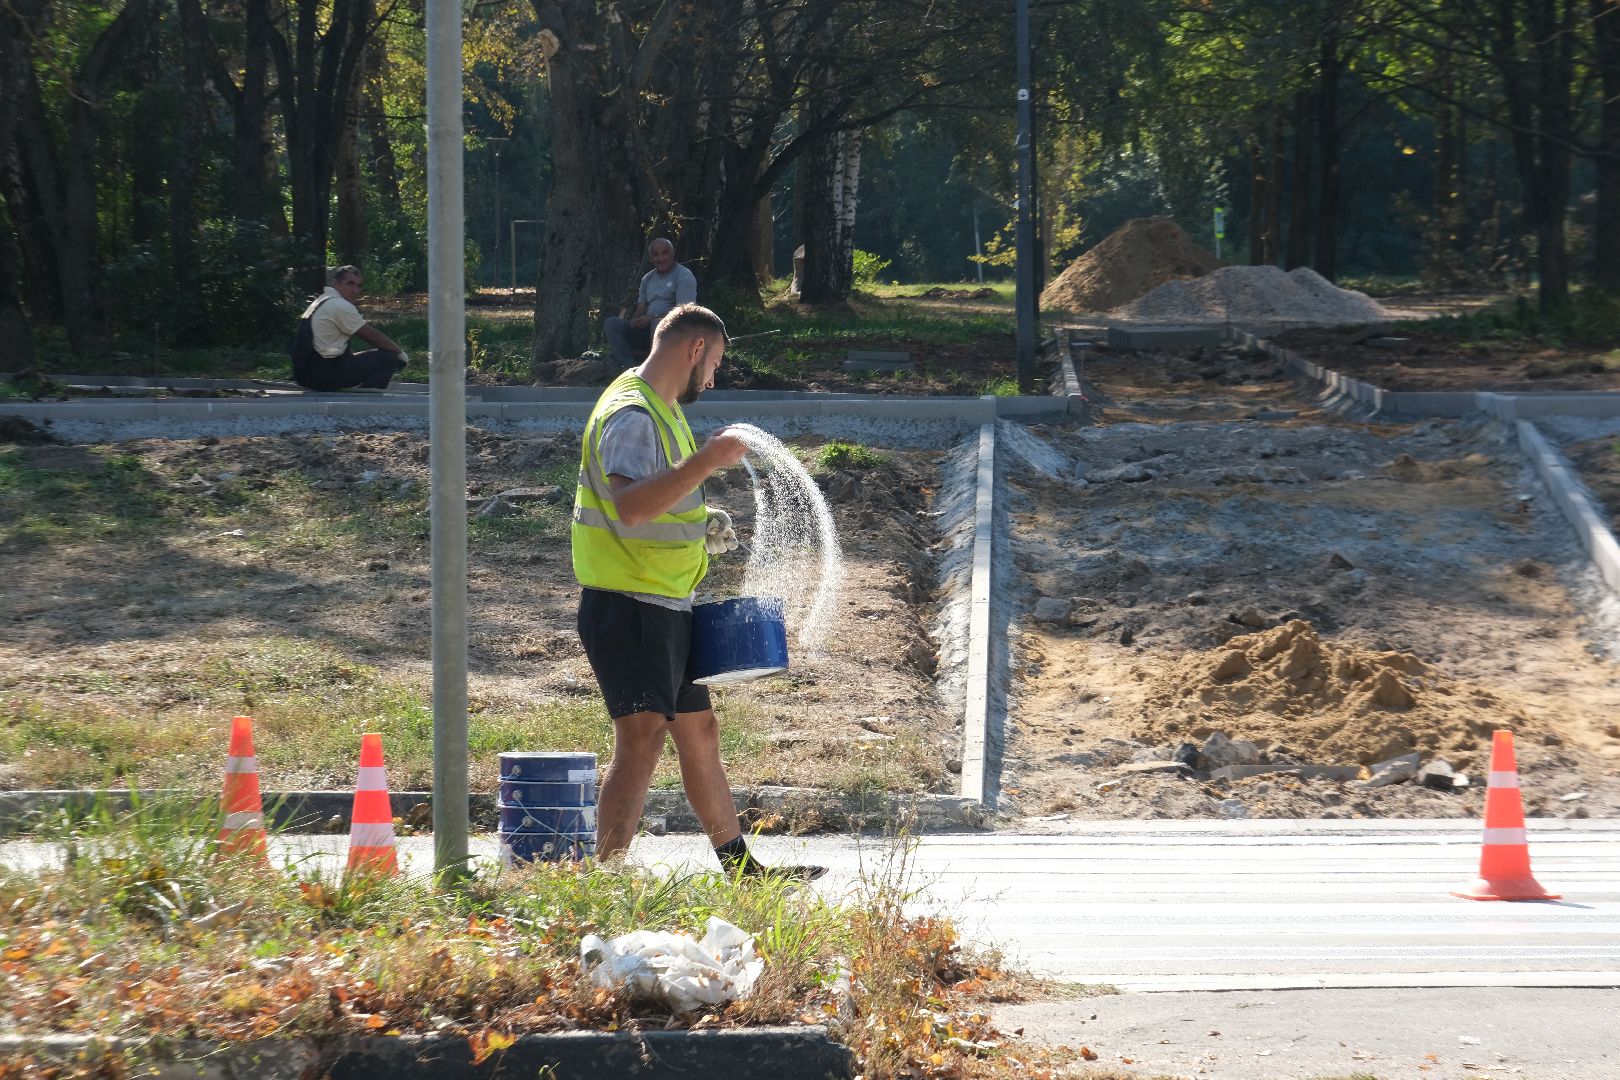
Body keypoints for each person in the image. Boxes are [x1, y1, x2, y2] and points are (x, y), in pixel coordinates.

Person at [573, 302, 824, 881]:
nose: (713, 378)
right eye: (714, 363)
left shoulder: (663, 412)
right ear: (693, 349)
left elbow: (661, 494)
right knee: (640, 741)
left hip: (664, 602)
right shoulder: (634, 414)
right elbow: (632, 507)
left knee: (700, 731)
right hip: (629, 603)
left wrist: (702, 516)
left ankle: (740, 869)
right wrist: (709, 462)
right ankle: (598, 882)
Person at [290, 265, 408, 391]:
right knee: (388, 358)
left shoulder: (322, 300)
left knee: (362, 356)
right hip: (322, 374)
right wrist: (400, 354)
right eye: (350, 284)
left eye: (359, 286)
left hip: (306, 373)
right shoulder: (339, 305)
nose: (355, 290)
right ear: (335, 284)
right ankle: (366, 403)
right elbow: (373, 336)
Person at [603, 238, 698, 366]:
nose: (661, 258)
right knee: (612, 323)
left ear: (673, 253)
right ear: (651, 257)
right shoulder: (647, 279)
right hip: (648, 330)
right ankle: (628, 366)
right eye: (655, 254)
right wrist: (636, 320)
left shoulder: (684, 276)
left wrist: (653, 318)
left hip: (674, 333)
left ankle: (657, 367)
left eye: (665, 253)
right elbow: (641, 308)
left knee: (657, 323)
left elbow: (685, 312)